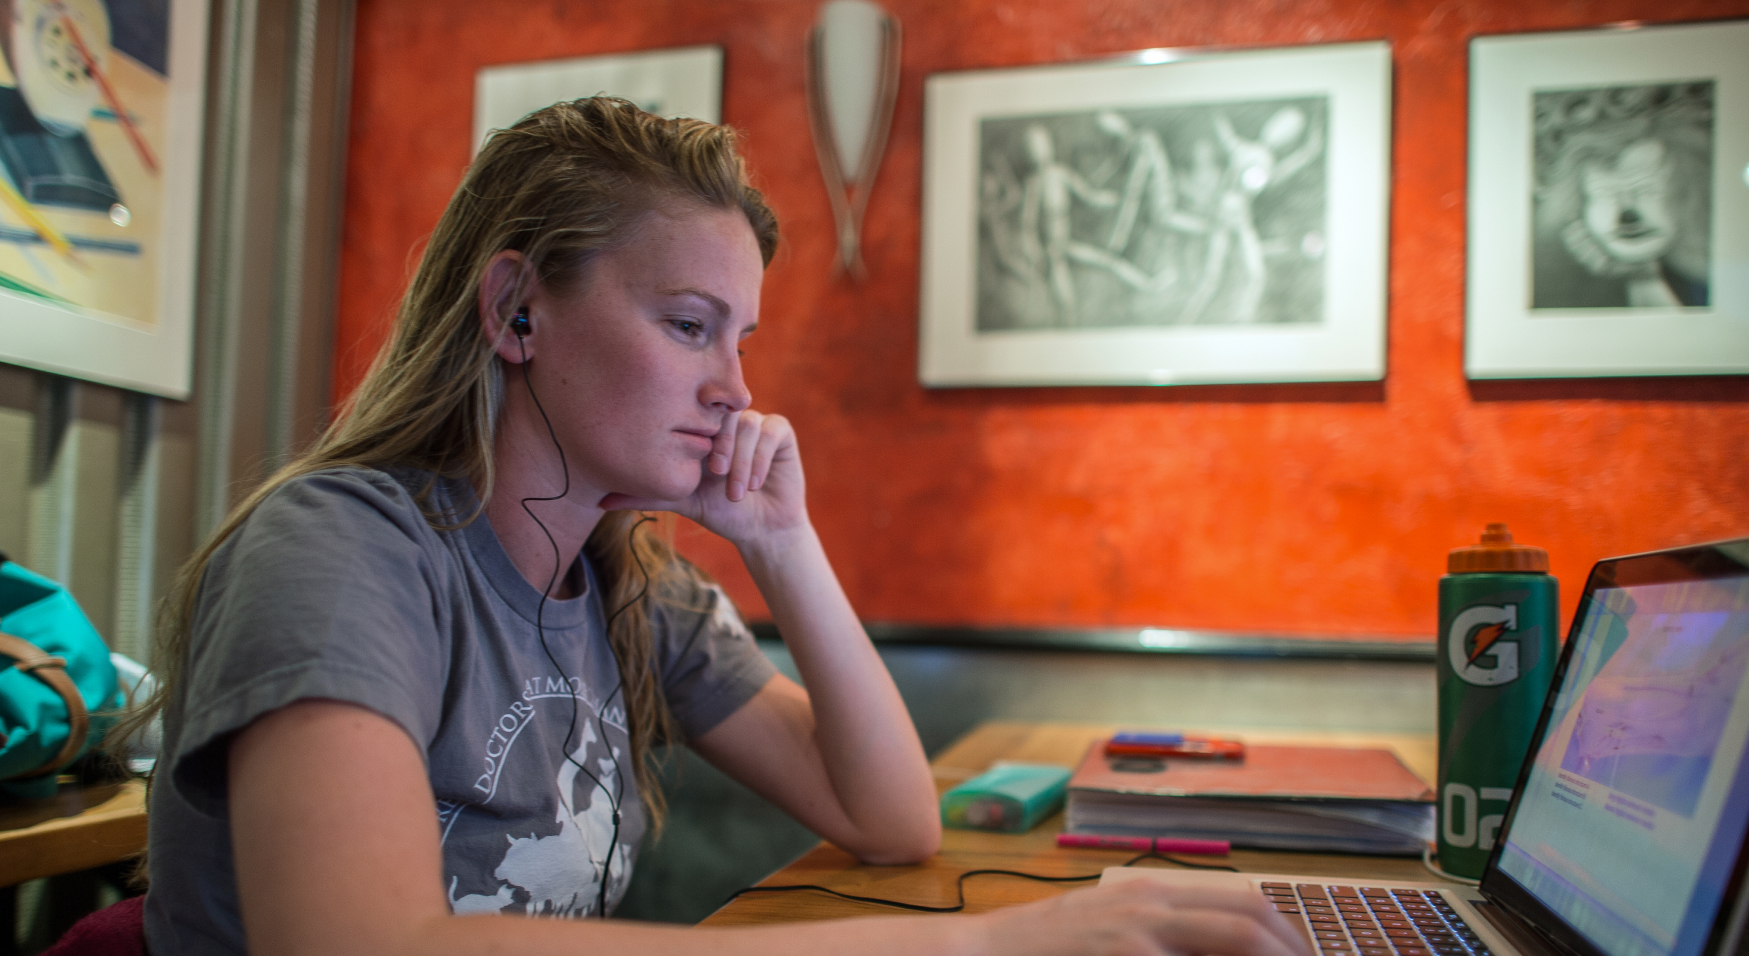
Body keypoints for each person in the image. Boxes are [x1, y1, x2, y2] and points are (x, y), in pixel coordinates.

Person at [127, 97, 1310, 956]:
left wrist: (783, 543)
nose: (736, 390)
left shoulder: (634, 580)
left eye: (741, 340)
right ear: (516, 308)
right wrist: (989, 946)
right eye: (691, 325)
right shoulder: (340, 551)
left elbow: (891, 818)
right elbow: (360, 944)